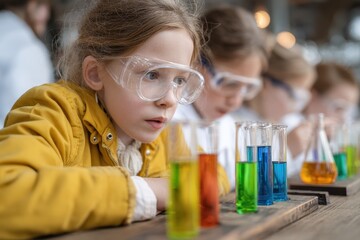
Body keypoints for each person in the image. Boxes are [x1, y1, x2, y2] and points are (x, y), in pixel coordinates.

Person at [0, 0, 227, 238]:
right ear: (95, 73)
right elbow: (7, 195)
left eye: (180, 80)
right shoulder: (54, 111)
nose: (169, 100)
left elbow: (214, 178)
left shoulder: (168, 135)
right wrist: (152, 191)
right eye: (152, 75)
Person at [173, 5, 267, 190]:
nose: (236, 101)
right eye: (229, 83)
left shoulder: (228, 126)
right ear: (195, 62)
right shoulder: (169, 120)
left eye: (248, 87)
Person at [233, 41, 316, 176]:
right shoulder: (236, 124)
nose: (297, 107)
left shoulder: (287, 121)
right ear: (265, 85)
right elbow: (243, 180)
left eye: (303, 98)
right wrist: (287, 149)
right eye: (293, 95)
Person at [0, 0, 53, 127]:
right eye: (46, 5)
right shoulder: (29, 49)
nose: (48, 15)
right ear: (32, 5)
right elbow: (24, 120)